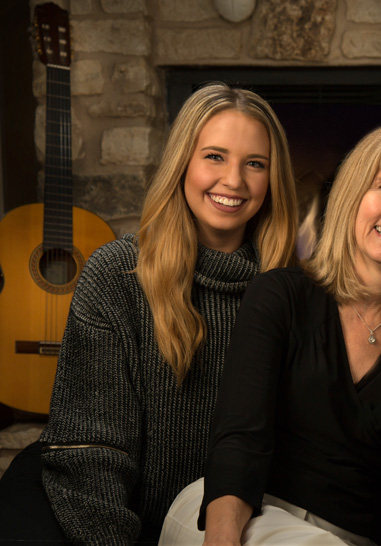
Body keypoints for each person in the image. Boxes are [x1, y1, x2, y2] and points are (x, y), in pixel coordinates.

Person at [0, 82, 298, 545]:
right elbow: (93, 450)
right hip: (115, 516)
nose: (234, 181)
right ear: (182, 163)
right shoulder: (116, 275)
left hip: (234, 521)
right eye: (214, 156)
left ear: (272, 178)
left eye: (254, 164)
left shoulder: (293, 289)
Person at [158, 120, 381, 546]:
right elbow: (240, 437)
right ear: (353, 196)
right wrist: (222, 539)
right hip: (230, 513)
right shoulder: (280, 295)